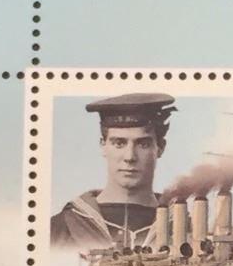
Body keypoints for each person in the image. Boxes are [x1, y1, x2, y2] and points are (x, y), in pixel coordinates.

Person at [49, 92, 176, 250]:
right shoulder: (61, 228)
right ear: (103, 145)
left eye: (143, 144)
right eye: (119, 143)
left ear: (161, 147)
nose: (130, 157)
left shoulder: (184, 228)